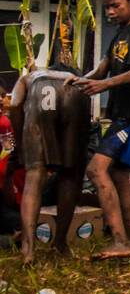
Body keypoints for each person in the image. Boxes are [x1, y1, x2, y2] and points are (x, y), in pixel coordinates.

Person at [72, 0, 130, 260]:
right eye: (106, 7)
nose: (109, 12)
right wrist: (78, 80)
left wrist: (106, 85)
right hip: (121, 115)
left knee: (96, 170)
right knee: (120, 178)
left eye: (114, 6)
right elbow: (103, 68)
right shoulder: (120, 33)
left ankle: (120, 239)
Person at [8, 68, 92, 264]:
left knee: (34, 175)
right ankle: (59, 243)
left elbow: (14, 105)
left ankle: (28, 248)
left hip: (39, 97)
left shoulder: (29, 77)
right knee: (70, 175)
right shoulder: (73, 77)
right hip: (77, 94)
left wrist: (21, 145)